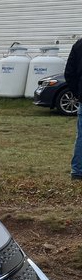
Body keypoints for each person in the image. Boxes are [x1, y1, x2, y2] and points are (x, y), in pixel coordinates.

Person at [66, 37, 82, 181]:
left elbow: (69, 74)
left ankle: (77, 171)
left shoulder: (78, 45)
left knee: (81, 136)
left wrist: (78, 94)